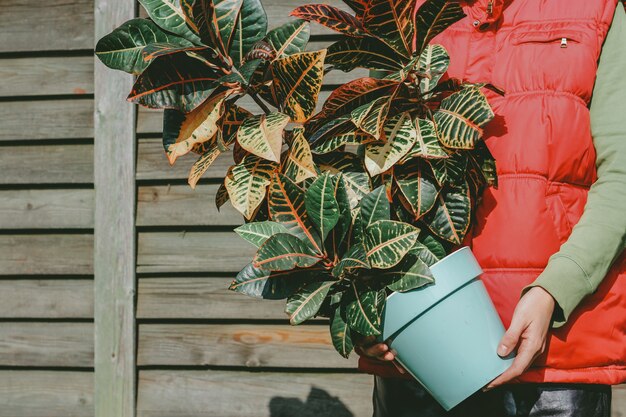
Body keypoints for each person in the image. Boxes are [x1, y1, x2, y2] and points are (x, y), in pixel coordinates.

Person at [355, 1, 626, 416]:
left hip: (554, 357)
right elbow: (370, 173)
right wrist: (363, 302)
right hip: (420, 353)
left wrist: (554, 289)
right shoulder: (407, 14)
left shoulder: (597, 10)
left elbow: (622, 177)